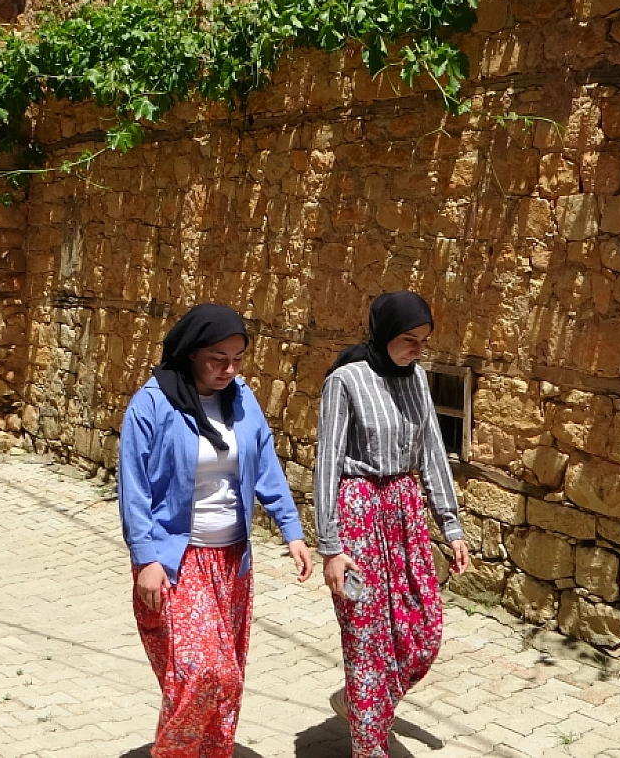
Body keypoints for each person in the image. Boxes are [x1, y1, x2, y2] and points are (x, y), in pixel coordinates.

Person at [119, 303, 314, 758]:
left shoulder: (242, 398)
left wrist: (292, 530)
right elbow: (134, 487)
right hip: (176, 561)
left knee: (227, 678)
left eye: (238, 359)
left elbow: (264, 464)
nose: (230, 369)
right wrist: (146, 558)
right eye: (218, 359)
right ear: (191, 353)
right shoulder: (153, 404)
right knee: (205, 672)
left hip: (231, 562)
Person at [315, 291, 470, 758]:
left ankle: (358, 702)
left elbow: (432, 451)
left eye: (424, 341)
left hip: (405, 516)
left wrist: (451, 526)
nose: (418, 350)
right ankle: (368, 740)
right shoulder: (345, 381)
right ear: (384, 335)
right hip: (358, 516)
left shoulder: (417, 378)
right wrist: (330, 546)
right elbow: (327, 464)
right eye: (409, 340)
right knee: (366, 640)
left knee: (423, 630)